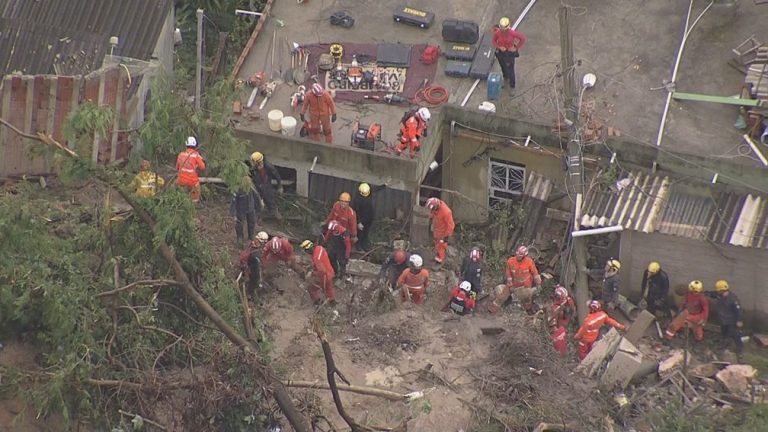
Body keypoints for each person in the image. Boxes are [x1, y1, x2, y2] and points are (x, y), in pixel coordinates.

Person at [488, 245, 541, 315]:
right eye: (517, 255)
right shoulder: (511, 261)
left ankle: (529, 312)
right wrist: (510, 284)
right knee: (502, 296)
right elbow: (508, 273)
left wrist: (538, 284)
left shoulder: (529, 262)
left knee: (526, 300)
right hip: (513, 284)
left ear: (524, 256)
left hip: (525, 286)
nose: (518, 257)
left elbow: (535, 273)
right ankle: (492, 310)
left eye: (520, 256)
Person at [706, 280, 744, 361]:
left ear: (722, 290)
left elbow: (739, 310)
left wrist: (739, 320)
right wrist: (703, 293)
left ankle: (740, 353)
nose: (717, 292)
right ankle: (724, 347)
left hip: (731, 321)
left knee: (736, 335)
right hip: (723, 321)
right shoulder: (719, 295)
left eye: (718, 291)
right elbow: (712, 294)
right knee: (724, 334)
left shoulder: (733, 299)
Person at [492, 16, 526, 90]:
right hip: (501, 53)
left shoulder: (512, 33)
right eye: (501, 28)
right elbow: (494, 41)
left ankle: (512, 86)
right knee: (503, 67)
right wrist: (499, 47)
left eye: (504, 29)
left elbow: (522, 39)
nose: (502, 30)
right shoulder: (498, 33)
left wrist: (515, 48)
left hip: (509, 53)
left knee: (511, 69)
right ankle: (506, 78)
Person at [248, 152, 283, 221]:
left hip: (266, 186)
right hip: (257, 186)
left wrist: (280, 186)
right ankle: (257, 216)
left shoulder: (269, 167)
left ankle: (275, 213)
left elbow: (277, 176)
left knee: (270, 200)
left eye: (253, 162)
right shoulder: (253, 169)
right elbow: (250, 176)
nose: (252, 163)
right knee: (256, 202)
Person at [300, 240, 336, 305]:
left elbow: (322, 271)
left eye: (306, 250)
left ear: (308, 249)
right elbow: (322, 261)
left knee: (311, 289)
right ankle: (332, 304)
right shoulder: (319, 248)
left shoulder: (316, 258)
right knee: (329, 290)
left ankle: (318, 303)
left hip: (324, 277)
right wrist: (312, 266)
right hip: (330, 272)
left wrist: (312, 273)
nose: (306, 252)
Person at [351, 182, 385, 251]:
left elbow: (376, 189)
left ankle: (365, 246)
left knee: (366, 233)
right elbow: (355, 212)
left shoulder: (368, 191)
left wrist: (384, 185)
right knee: (360, 234)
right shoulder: (357, 200)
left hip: (369, 217)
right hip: (361, 219)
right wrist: (358, 222)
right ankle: (358, 246)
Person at [230, 178, 261, 246]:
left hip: (251, 208)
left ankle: (251, 237)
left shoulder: (252, 188)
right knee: (239, 223)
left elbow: (257, 197)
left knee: (252, 222)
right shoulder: (237, 190)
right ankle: (240, 237)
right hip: (241, 209)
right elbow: (233, 202)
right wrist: (234, 214)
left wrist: (258, 209)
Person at [239, 232, 269, 299]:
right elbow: (257, 270)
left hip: (245, 264)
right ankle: (249, 294)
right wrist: (259, 280)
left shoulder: (251, 244)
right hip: (248, 267)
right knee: (254, 281)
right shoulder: (256, 254)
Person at [425, 197, 455, 264]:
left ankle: (440, 259)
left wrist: (447, 236)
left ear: (436, 206)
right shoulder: (435, 208)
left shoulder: (446, 212)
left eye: (433, 209)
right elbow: (433, 214)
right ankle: (438, 254)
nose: (432, 211)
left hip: (443, 232)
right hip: (437, 229)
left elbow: (451, 225)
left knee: (441, 245)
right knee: (437, 243)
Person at [548, 285, 576, 357]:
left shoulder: (569, 300)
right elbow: (553, 322)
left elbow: (573, 310)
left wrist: (571, 318)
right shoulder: (555, 308)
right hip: (560, 326)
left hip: (566, 323)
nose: (564, 300)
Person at [176, 136, 205, 203]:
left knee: (181, 191)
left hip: (181, 179)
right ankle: (194, 203)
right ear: (195, 146)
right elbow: (202, 167)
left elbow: (177, 167)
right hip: (192, 180)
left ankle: (181, 201)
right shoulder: (196, 155)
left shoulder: (181, 154)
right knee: (197, 189)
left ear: (186, 145)